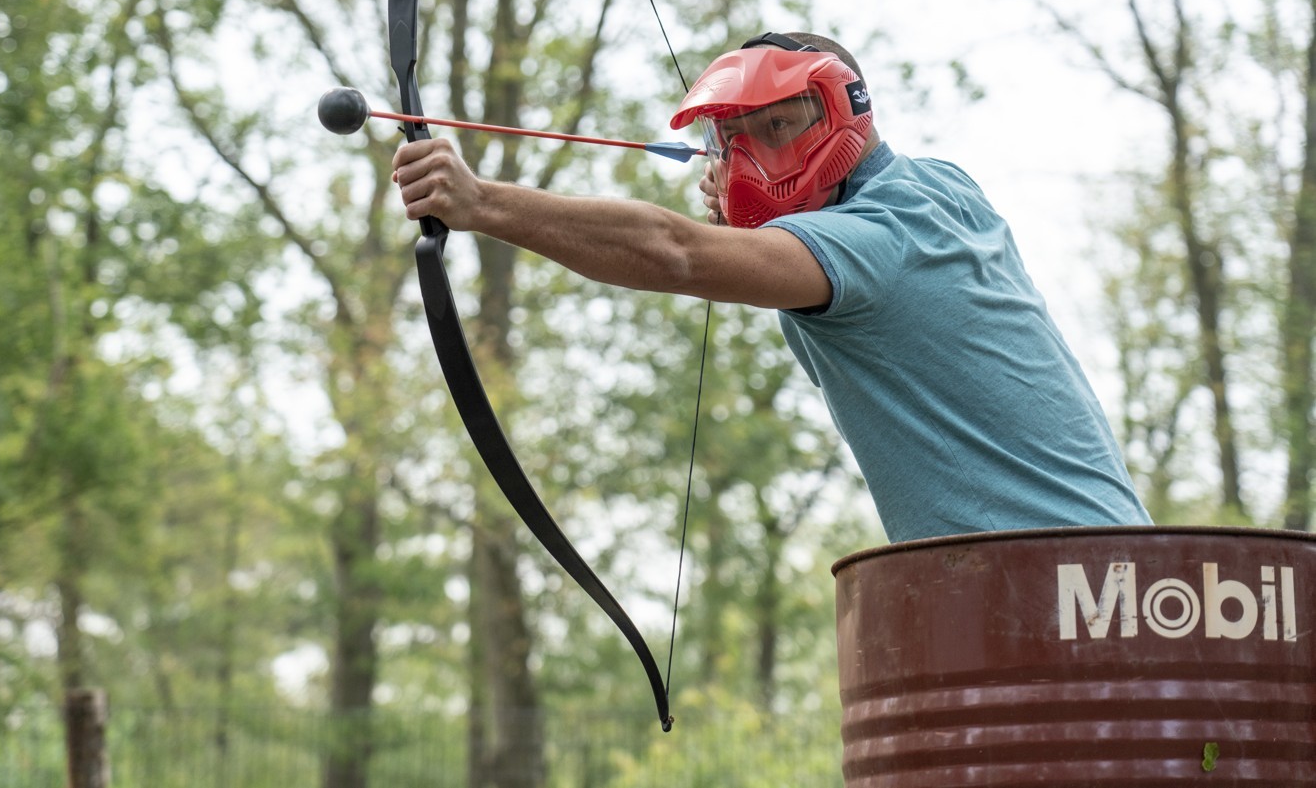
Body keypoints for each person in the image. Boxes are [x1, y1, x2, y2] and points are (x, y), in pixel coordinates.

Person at [390, 30, 1152, 543]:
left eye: (780, 128)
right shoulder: (942, 192)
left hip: (1059, 587)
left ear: (845, 110)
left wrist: (480, 202)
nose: (753, 161)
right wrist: (763, 221)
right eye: (734, 141)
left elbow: (675, 252)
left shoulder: (876, 241)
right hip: (1098, 575)